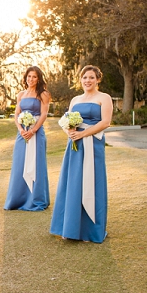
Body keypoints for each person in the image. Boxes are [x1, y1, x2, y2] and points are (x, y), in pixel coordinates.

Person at [49, 65, 113, 243]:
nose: (88, 80)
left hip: (93, 144)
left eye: (91, 77)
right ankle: (70, 228)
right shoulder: (75, 99)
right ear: (81, 80)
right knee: (74, 182)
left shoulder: (104, 98)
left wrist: (84, 133)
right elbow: (67, 121)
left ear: (98, 79)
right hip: (75, 145)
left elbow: (106, 122)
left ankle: (89, 230)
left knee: (91, 182)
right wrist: (69, 132)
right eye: (85, 77)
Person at [4, 65, 52, 211]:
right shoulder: (21, 94)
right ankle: (17, 200)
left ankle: (36, 199)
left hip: (36, 133)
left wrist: (34, 130)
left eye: (34, 77)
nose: (31, 79)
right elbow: (17, 114)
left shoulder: (43, 94)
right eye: (29, 76)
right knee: (20, 163)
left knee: (36, 164)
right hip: (22, 133)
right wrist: (21, 129)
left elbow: (43, 114)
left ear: (39, 79)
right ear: (25, 78)